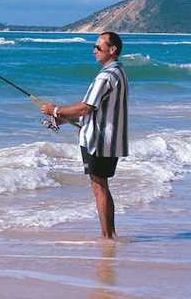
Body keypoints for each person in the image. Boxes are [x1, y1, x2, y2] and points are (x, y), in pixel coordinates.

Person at [40, 31, 128, 239]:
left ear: (112, 50)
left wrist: (55, 111)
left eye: (98, 47)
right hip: (109, 140)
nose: (94, 51)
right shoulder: (119, 73)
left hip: (98, 142)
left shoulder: (106, 76)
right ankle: (111, 234)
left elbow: (86, 108)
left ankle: (106, 237)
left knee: (99, 187)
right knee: (103, 185)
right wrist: (63, 118)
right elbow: (97, 110)